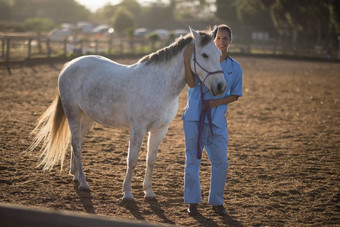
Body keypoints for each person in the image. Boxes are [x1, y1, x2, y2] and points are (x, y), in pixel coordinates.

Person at [182, 24, 243, 216]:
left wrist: (213, 104)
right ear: (213, 39)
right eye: (218, 38)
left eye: (225, 39)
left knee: (221, 163)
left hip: (217, 121)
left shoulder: (235, 67)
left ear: (230, 41)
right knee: (193, 161)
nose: (221, 42)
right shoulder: (204, 58)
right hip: (194, 117)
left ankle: (217, 202)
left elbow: (235, 95)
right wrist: (186, 61)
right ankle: (192, 202)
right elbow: (191, 84)